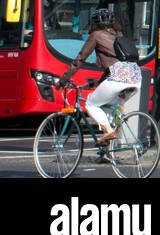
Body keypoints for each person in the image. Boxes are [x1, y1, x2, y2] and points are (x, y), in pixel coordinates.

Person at [58, 8, 142, 146]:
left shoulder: (96, 35)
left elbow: (80, 59)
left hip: (118, 79)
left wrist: (63, 80)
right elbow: (115, 66)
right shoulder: (119, 35)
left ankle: (108, 131)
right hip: (136, 78)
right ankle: (107, 151)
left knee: (91, 104)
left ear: (94, 23)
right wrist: (99, 83)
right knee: (106, 107)